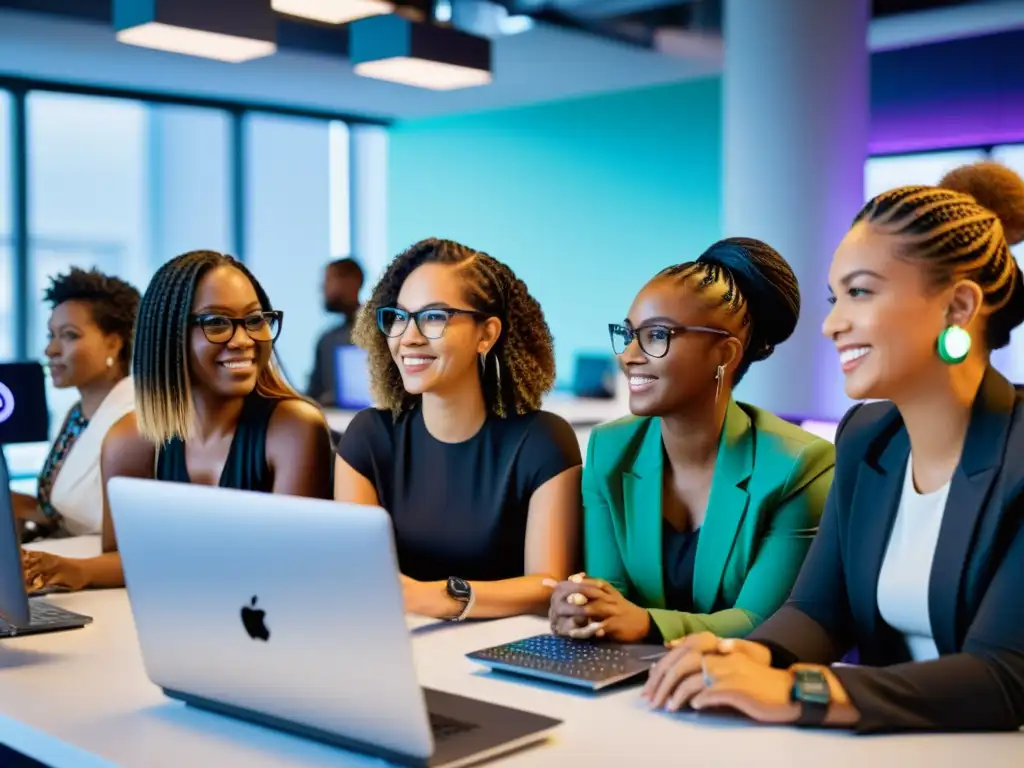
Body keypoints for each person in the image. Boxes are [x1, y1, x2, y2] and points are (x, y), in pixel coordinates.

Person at [642, 161, 1024, 734]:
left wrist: (802, 690)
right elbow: (818, 610)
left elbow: (1004, 677)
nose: (832, 324)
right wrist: (755, 655)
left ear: (960, 308)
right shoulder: (867, 437)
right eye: (834, 298)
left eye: (860, 293)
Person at [547, 239, 835, 645]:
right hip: (630, 681)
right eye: (629, 335)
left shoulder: (799, 465)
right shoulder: (609, 450)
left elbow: (762, 621)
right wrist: (584, 606)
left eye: (657, 335)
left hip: (741, 689)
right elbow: (612, 595)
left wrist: (648, 624)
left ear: (725, 353)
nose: (628, 355)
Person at [21, 250, 334, 592]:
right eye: (217, 323)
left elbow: (292, 565)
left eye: (255, 320)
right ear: (168, 334)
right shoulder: (128, 440)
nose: (243, 339)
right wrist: (71, 570)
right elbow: (129, 558)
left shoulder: (293, 428)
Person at [334, 237, 582, 620]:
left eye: (434, 316)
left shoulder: (543, 442)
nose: (409, 336)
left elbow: (548, 585)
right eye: (399, 316)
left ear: (487, 334)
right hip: (393, 650)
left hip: (500, 663)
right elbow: (358, 580)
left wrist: (437, 597)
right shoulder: (369, 439)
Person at [12, 267, 140, 541]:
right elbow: (65, 510)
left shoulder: (134, 421)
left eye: (69, 335)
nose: (51, 350)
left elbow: (119, 533)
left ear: (114, 344)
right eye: (51, 336)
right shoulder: (75, 415)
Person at [307, 257, 365, 407]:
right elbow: (314, 393)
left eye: (328, 280)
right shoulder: (327, 339)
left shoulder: (382, 332)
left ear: (352, 282)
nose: (322, 287)